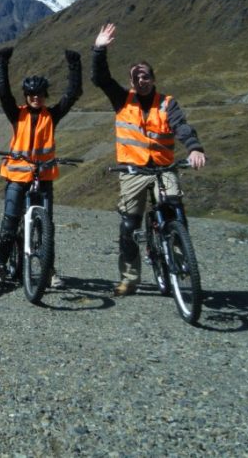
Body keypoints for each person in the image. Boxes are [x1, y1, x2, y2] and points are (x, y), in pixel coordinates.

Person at [91, 23, 206, 296]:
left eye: (146, 77)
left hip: (164, 168)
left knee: (173, 209)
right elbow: (100, 78)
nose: (141, 81)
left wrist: (194, 147)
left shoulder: (167, 103)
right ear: (131, 81)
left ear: (153, 79)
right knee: (129, 226)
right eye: (136, 78)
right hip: (132, 171)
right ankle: (129, 279)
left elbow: (182, 127)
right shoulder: (122, 99)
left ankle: (180, 266)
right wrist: (98, 49)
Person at [0, 47, 82, 288]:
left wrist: (75, 65)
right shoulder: (16, 114)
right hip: (17, 176)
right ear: (25, 95)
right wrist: (2, 61)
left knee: (46, 227)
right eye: (31, 94)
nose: (36, 97)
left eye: (40, 93)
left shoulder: (51, 115)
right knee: (10, 222)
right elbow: (2, 91)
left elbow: (72, 94)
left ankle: (48, 269)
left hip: (43, 176)